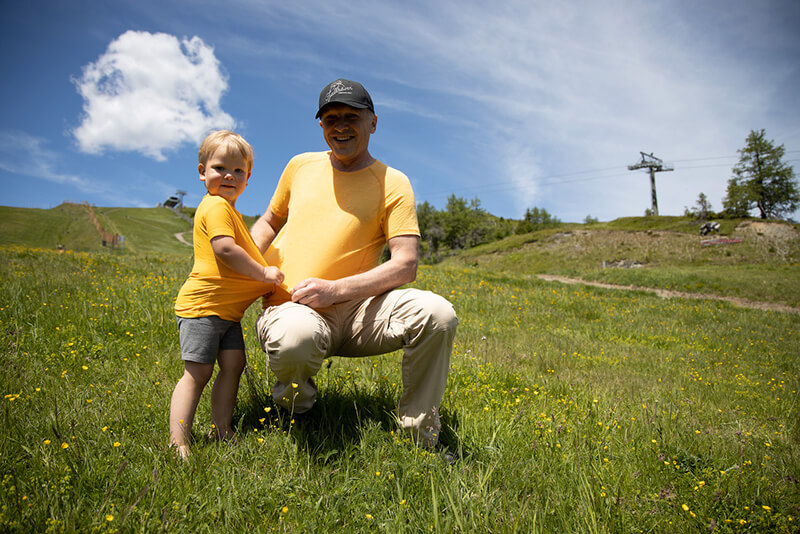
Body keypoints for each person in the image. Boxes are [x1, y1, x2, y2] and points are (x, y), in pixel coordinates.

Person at [250, 79, 458, 450]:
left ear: (373, 122)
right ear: (321, 127)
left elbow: (405, 265)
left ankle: (420, 437)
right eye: (331, 119)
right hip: (293, 307)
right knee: (296, 337)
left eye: (351, 117)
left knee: (438, 314)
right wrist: (244, 268)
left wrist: (335, 290)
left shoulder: (393, 183)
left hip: (362, 312)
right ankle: (296, 414)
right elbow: (268, 221)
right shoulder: (299, 166)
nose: (340, 126)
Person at [170, 130, 284, 459]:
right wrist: (263, 274)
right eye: (220, 168)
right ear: (202, 171)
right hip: (203, 308)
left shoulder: (230, 211)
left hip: (227, 315)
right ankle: (178, 442)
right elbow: (224, 249)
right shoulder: (216, 207)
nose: (229, 176)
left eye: (238, 170)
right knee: (199, 372)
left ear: (248, 178)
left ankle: (221, 429)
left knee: (233, 365)